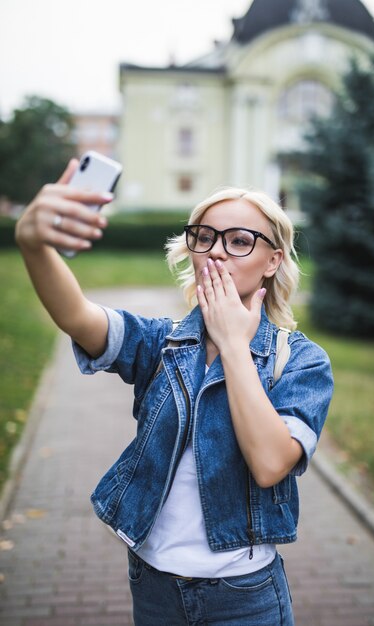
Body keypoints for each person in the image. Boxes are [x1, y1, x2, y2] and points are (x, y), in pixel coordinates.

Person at [15, 159, 333, 626]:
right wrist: (33, 244)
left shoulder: (302, 361)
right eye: (204, 237)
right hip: (154, 584)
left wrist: (232, 344)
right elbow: (78, 317)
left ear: (273, 261)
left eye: (240, 241)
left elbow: (269, 464)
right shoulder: (161, 342)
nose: (216, 252)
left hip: (243, 595)